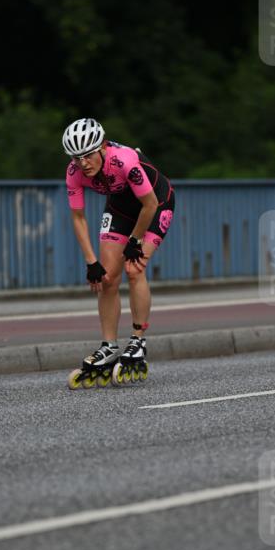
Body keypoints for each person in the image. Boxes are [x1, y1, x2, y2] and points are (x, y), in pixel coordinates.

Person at [63, 117, 175, 384]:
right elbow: (78, 217)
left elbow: (148, 205)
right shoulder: (74, 172)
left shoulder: (124, 161)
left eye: (88, 155)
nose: (83, 163)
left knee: (134, 269)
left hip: (155, 202)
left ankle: (137, 341)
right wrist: (91, 261)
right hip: (121, 208)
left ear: (102, 146)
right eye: (76, 158)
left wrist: (135, 241)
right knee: (107, 278)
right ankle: (110, 346)